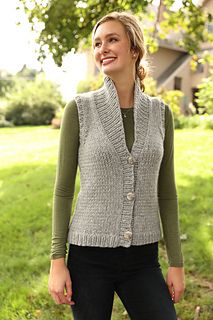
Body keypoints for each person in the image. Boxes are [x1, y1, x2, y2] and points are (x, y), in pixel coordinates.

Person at [48, 11, 185, 320]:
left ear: (134, 48)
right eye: (97, 43)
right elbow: (63, 190)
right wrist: (58, 260)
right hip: (88, 258)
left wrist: (176, 262)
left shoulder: (161, 114)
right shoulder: (79, 109)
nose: (102, 49)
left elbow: (167, 192)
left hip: (143, 259)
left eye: (112, 40)